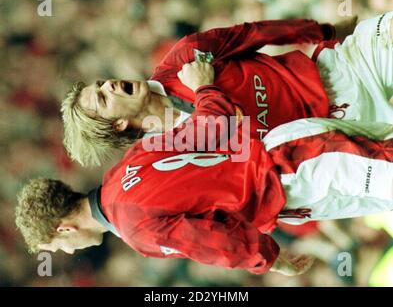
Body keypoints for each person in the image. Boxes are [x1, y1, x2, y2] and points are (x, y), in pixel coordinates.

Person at [17, 90, 393, 275]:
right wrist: (207, 90)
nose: (66, 252)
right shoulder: (123, 168)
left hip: (299, 172)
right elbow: (214, 126)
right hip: (292, 146)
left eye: (58, 245)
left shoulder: (135, 229)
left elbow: (217, 241)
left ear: (64, 227)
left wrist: (273, 261)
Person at [62, 17, 362, 167]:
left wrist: (324, 32)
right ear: (118, 125)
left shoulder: (184, 57)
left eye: (101, 83)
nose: (109, 84)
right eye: (103, 97)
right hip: (338, 145)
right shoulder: (177, 153)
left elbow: (254, 33)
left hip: (335, 78)